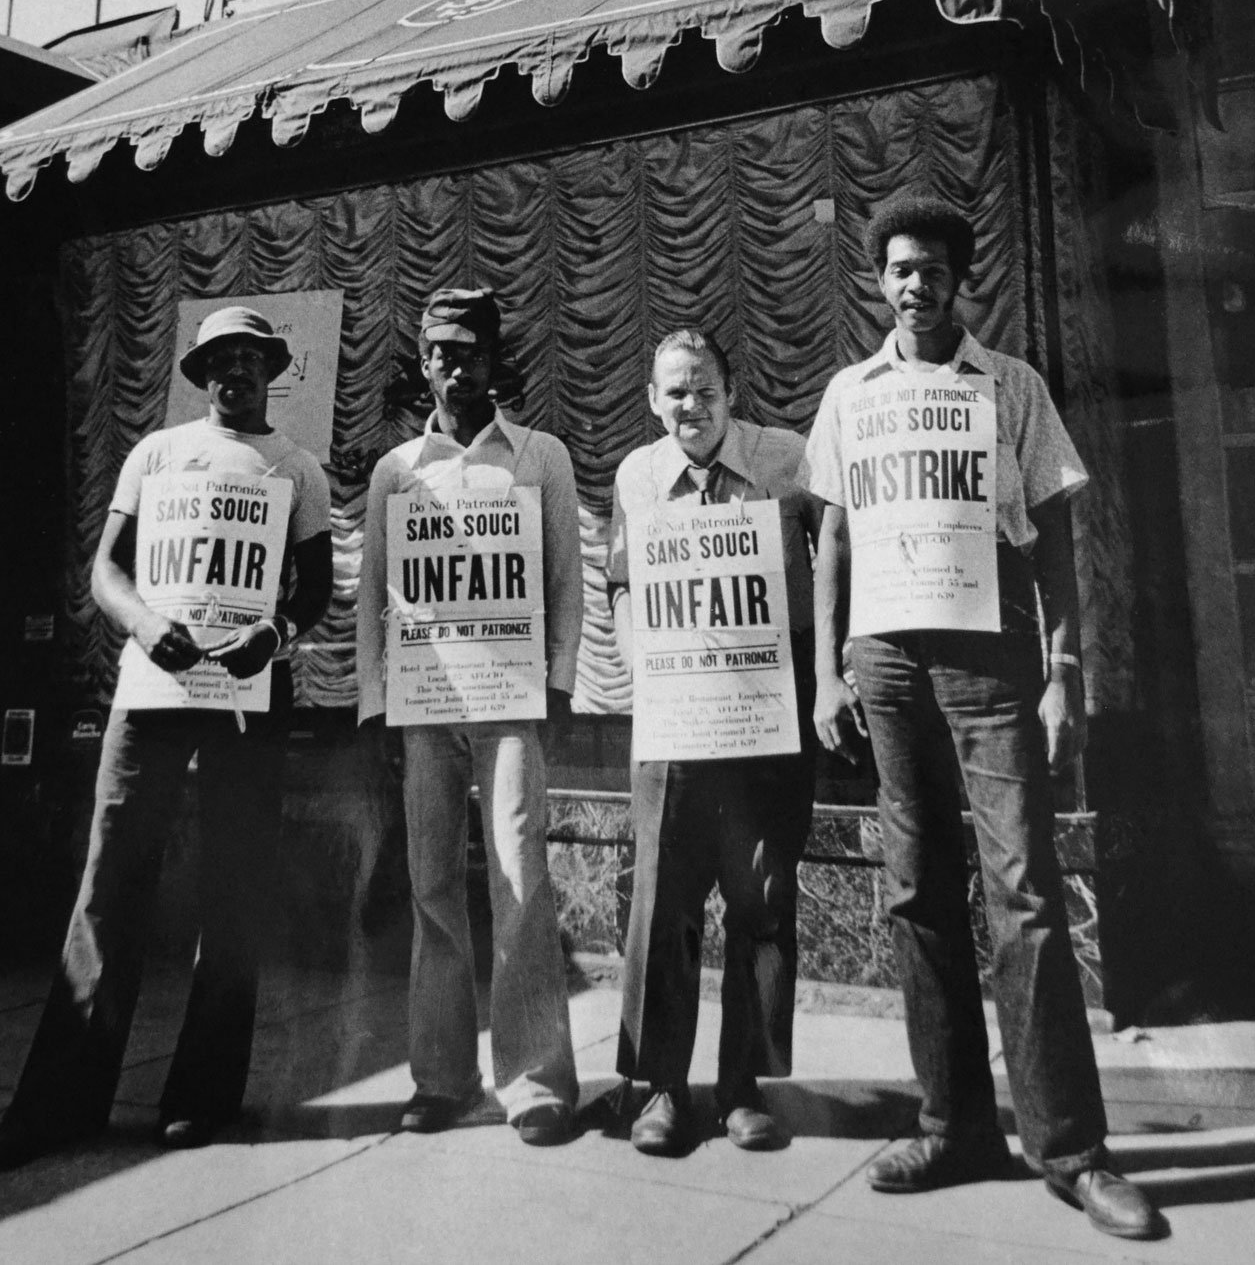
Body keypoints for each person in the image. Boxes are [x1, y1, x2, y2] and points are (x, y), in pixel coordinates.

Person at [803, 194, 1162, 1242]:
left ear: (962, 280)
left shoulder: (1009, 388)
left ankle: (1071, 1152)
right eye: (898, 270)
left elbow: (1053, 537)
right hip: (885, 662)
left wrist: (1062, 668)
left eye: (931, 269)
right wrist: (828, 674)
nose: (914, 285)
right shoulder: (848, 395)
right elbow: (831, 542)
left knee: (1024, 890)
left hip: (989, 655)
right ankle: (953, 1122)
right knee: (917, 892)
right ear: (880, 282)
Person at [0, 306, 333, 1167]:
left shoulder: (297, 468)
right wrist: (144, 625)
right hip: (152, 686)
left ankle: (201, 1095)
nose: (235, 372)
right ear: (200, 374)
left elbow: (313, 590)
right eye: (219, 360)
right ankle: (64, 1098)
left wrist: (278, 636)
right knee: (111, 876)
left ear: (272, 370)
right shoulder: (155, 453)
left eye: (251, 358)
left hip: (248, 690)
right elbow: (105, 569)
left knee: (235, 887)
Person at [356, 287, 582, 1147]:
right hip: (425, 708)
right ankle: (439, 1077)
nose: (457, 367)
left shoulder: (539, 457)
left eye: (472, 352)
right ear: (423, 363)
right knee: (431, 887)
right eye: (442, 353)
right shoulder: (394, 472)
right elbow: (375, 593)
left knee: (520, 875)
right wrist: (377, 703)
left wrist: (558, 685)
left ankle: (534, 1080)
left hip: (509, 703)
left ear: (495, 360)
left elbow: (567, 580)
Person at [608, 328, 825, 1156]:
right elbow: (623, 585)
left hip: (768, 710)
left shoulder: (785, 458)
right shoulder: (637, 473)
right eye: (673, 393)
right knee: (662, 897)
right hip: (674, 712)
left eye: (703, 389)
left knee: (761, 895)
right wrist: (642, 666)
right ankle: (664, 1085)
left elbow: (830, 552)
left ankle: (742, 1086)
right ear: (651, 401)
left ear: (731, 393)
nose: (688, 406)